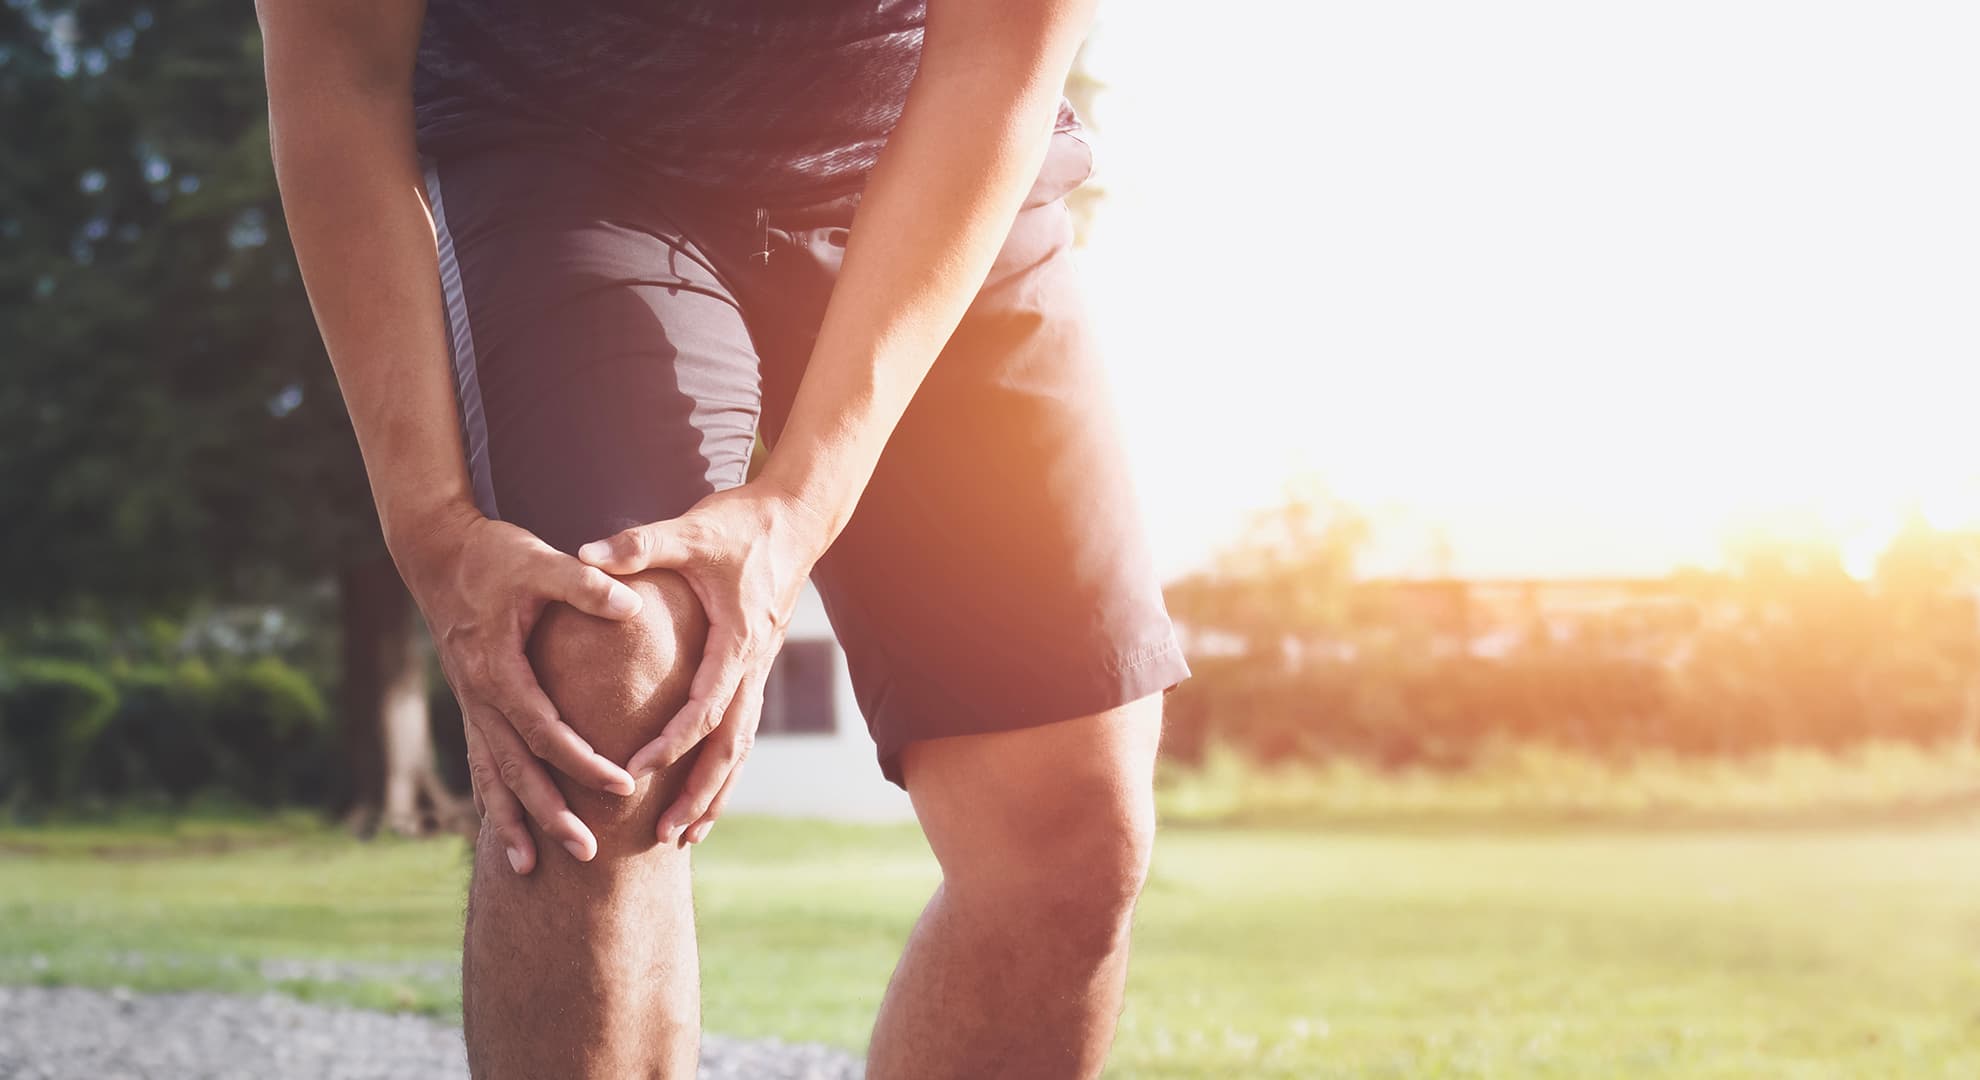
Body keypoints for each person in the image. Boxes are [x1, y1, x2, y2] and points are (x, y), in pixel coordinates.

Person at [254, 0, 1192, 1075]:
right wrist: (434, 529)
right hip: (571, 153)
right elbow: (339, 62)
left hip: (934, 133)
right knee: (598, 662)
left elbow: (1002, 53)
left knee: (1072, 820)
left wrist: (796, 508)